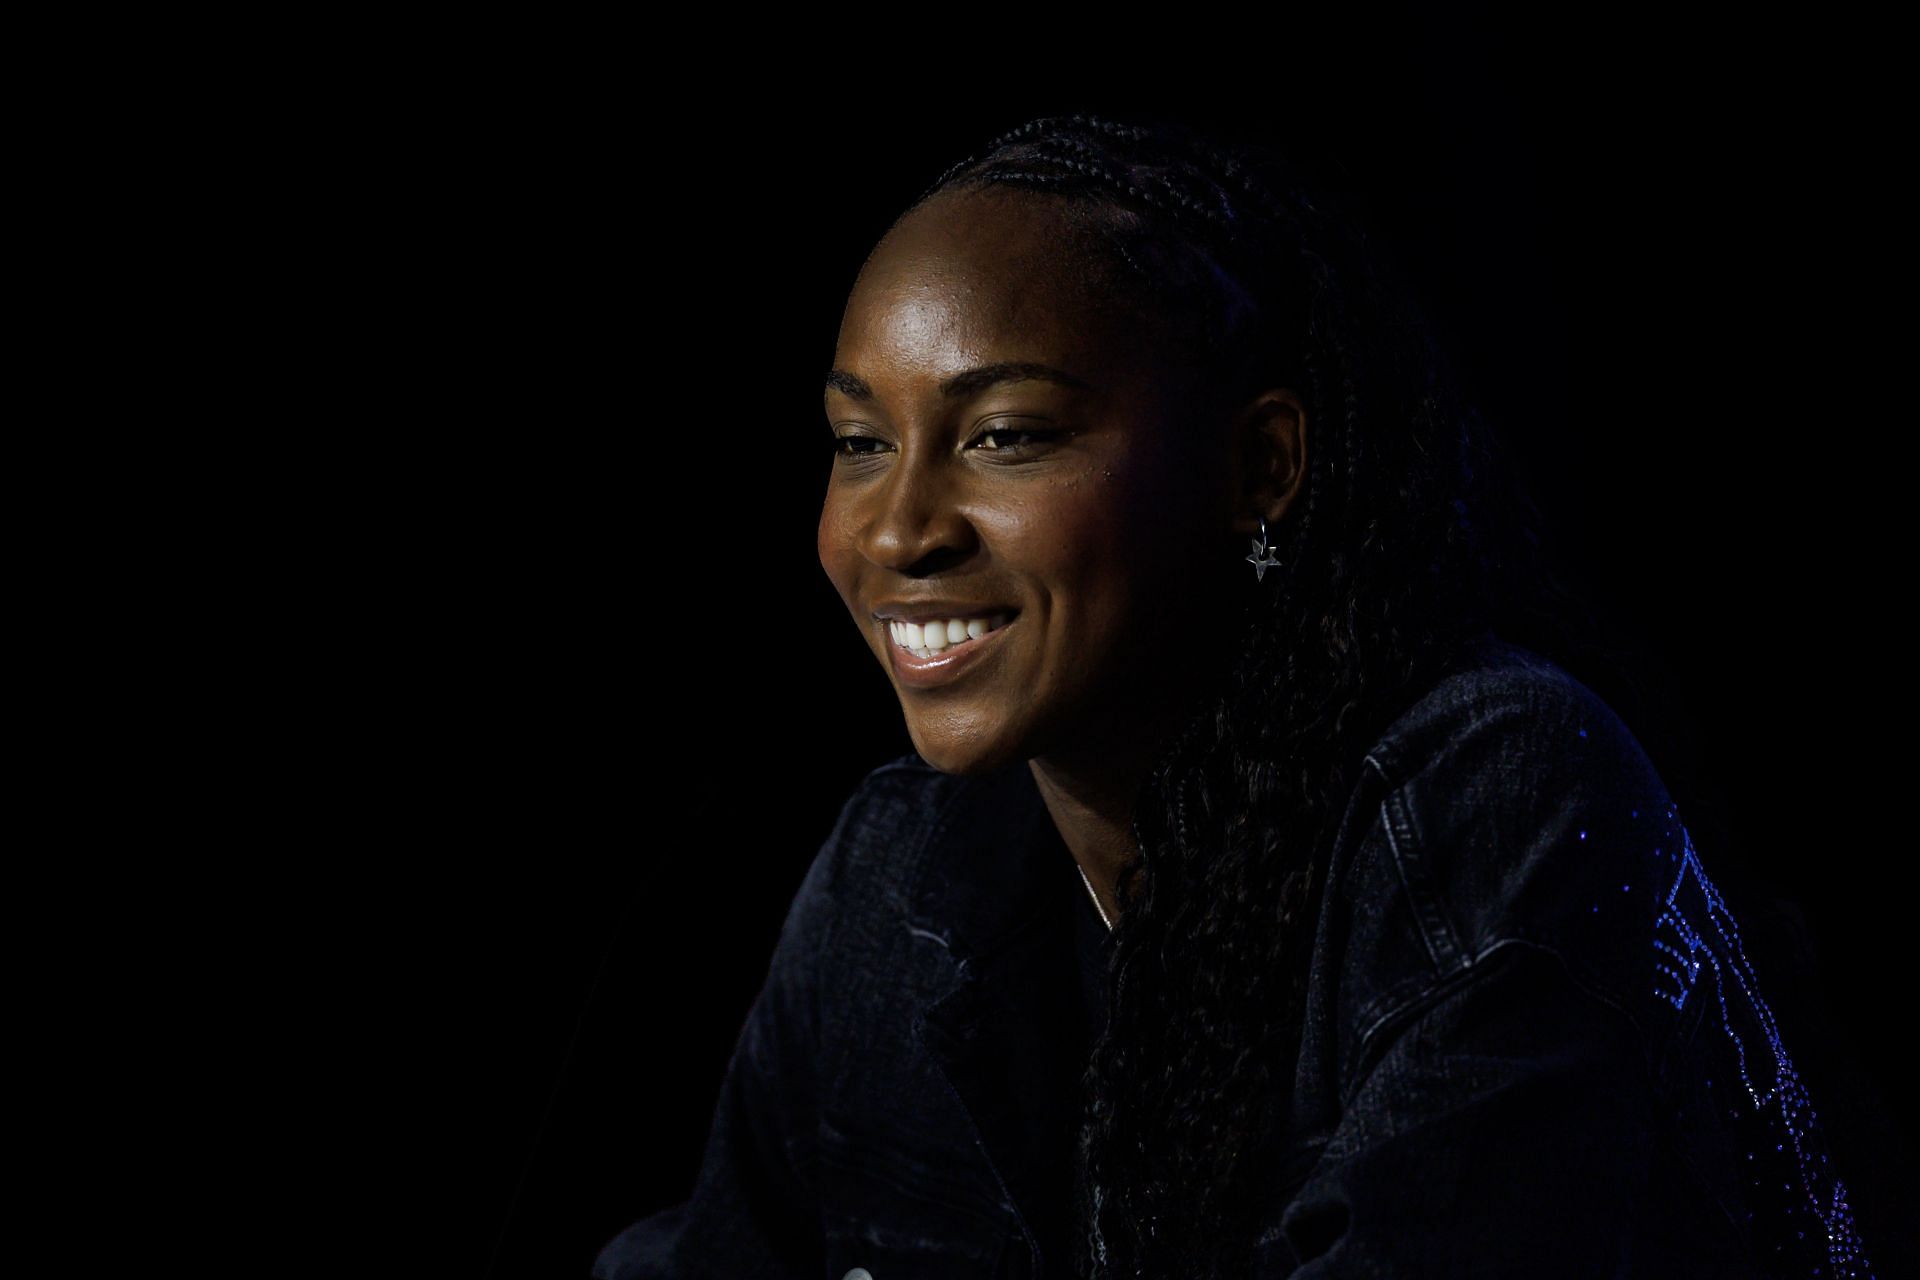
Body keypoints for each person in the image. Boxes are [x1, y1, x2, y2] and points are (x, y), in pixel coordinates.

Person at [594, 113, 1898, 1279]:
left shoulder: (1495, 800)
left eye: (1006, 435)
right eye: (861, 444)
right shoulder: (902, 874)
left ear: (1262, 467)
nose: (899, 530)